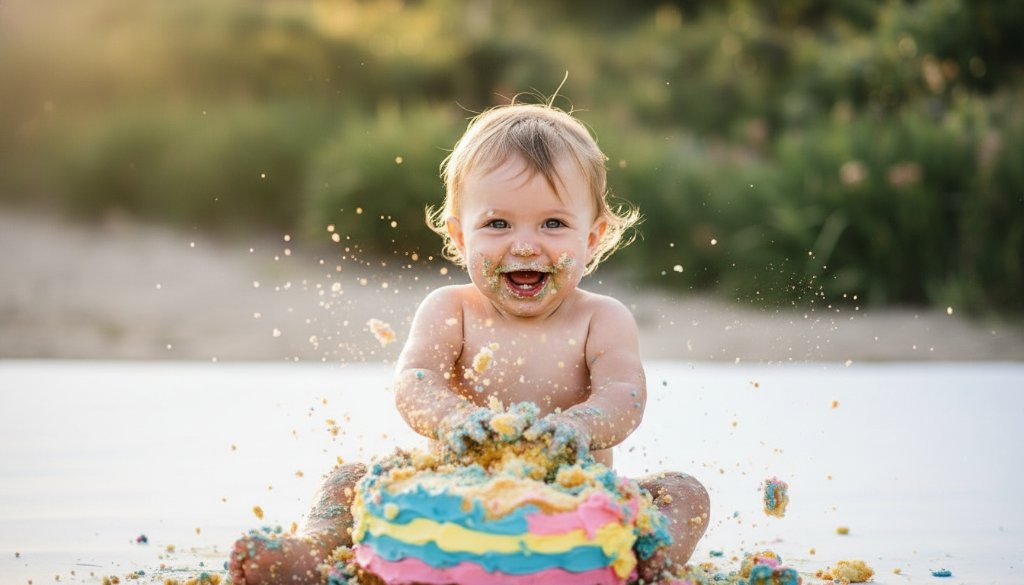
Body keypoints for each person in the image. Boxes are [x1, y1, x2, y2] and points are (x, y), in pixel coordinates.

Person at [229, 102, 710, 584]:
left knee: (683, 492)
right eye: (497, 224)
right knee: (348, 480)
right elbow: (414, 382)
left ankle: (652, 560)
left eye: (554, 224)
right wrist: (455, 419)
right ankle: (314, 553)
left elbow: (624, 395)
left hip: (574, 503)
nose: (524, 245)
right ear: (460, 236)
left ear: (594, 236)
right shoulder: (451, 309)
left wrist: (580, 427)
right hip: (450, 501)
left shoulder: (602, 318)